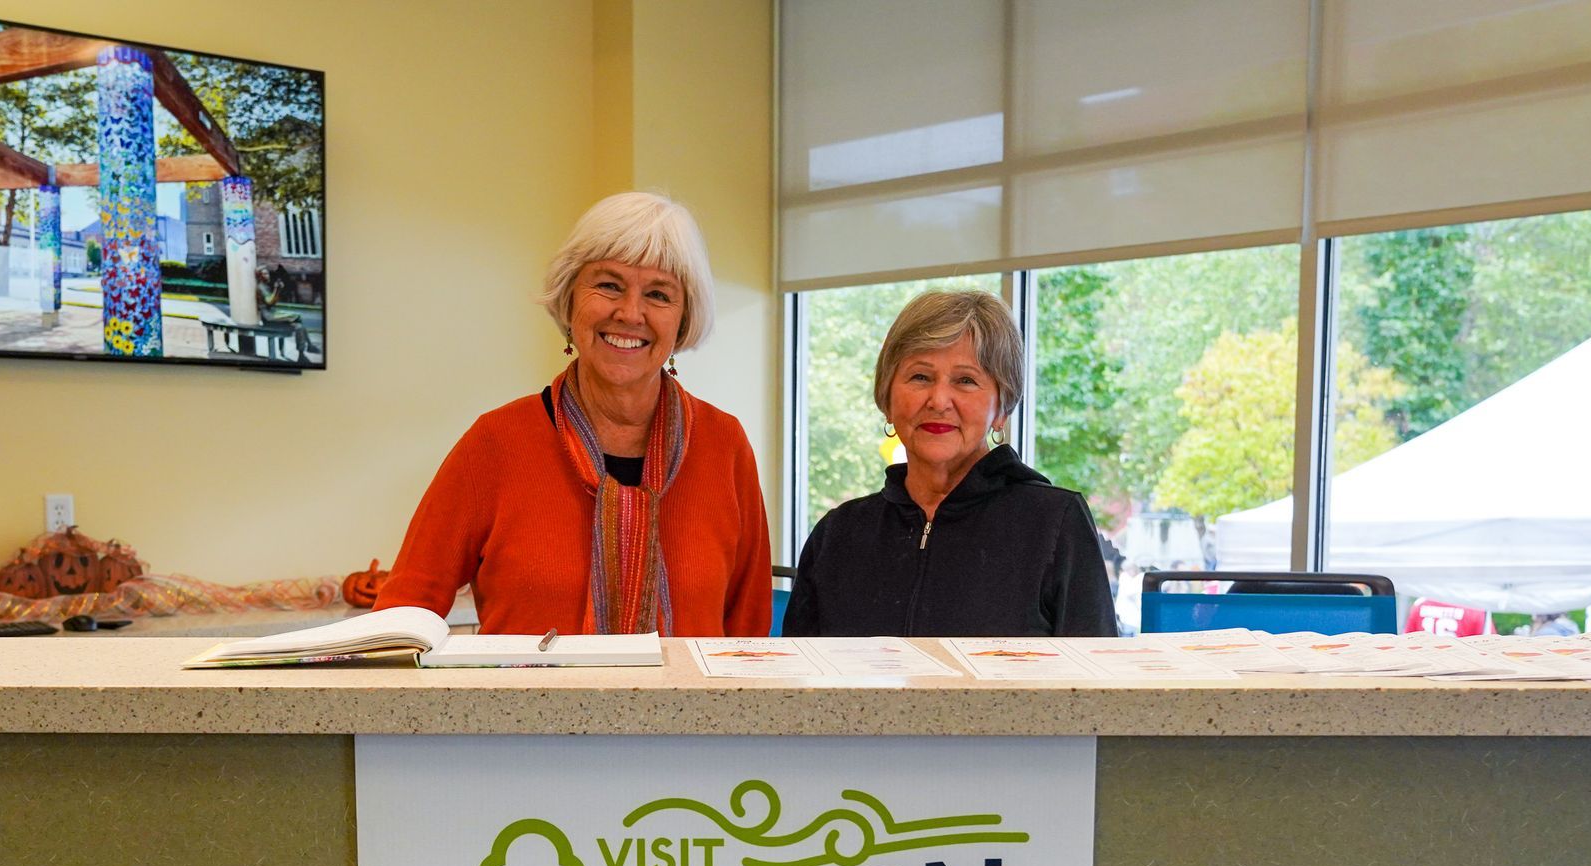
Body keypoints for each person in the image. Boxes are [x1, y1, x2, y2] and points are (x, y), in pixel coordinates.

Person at [375, 192, 770, 636]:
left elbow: (749, 638)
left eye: (658, 294)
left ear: (683, 320)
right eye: (609, 286)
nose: (630, 313)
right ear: (569, 300)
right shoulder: (496, 442)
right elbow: (400, 619)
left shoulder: (724, 445)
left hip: (692, 689)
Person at [783, 290, 1117, 637]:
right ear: (887, 398)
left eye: (965, 381)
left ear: (1001, 409)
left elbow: (1095, 671)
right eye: (920, 377)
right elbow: (798, 670)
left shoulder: (1054, 524)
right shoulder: (838, 535)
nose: (939, 400)